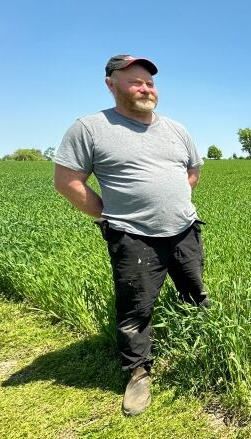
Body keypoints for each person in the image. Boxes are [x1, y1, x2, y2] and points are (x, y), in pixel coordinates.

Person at [53, 54, 209, 417]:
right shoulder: (90, 128)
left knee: (196, 292)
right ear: (112, 84)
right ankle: (138, 373)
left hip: (185, 230)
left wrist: (175, 202)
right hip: (133, 237)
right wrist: (111, 215)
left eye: (150, 83)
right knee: (135, 310)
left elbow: (192, 171)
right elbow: (68, 182)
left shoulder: (176, 129)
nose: (146, 88)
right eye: (136, 81)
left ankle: (205, 345)